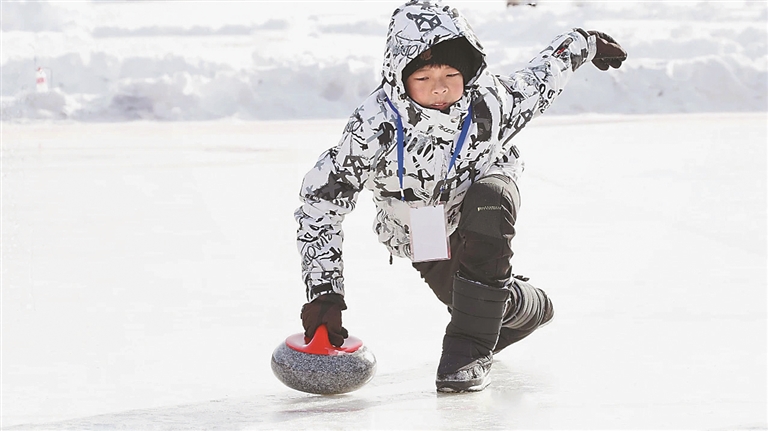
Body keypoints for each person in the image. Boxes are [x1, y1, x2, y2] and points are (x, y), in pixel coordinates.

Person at [295, 0, 626, 393]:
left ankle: (466, 350)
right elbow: (321, 202)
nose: (440, 87)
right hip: (420, 227)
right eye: (423, 77)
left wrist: (582, 43)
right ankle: (528, 304)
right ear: (399, 77)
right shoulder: (373, 128)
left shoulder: (490, 103)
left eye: (452, 73)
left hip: (484, 192)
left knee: (489, 202)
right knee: (476, 306)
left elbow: (540, 80)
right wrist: (325, 294)